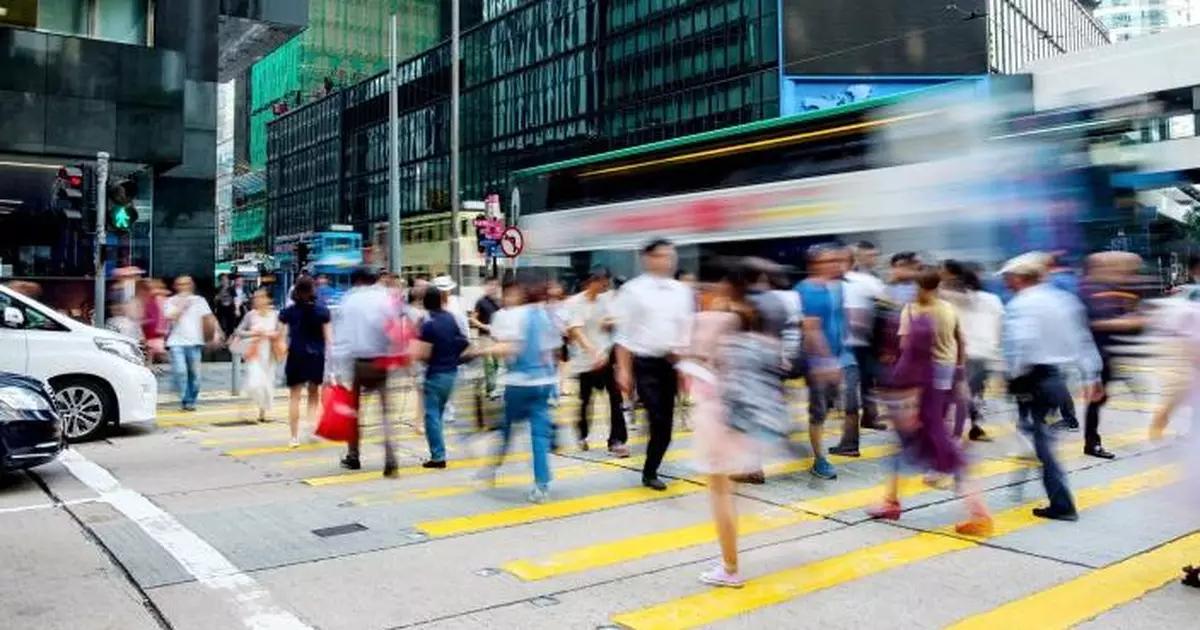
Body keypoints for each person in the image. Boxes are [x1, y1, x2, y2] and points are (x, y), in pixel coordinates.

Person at [868, 266, 992, 536]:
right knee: (913, 449)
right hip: (941, 379)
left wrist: (904, 401)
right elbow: (961, 343)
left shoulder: (913, 314)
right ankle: (891, 501)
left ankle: (980, 514)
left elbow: (907, 354)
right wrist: (958, 375)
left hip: (920, 391)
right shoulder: (947, 309)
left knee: (945, 453)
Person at [690, 264, 787, 588]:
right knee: (728, 491)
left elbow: (693, 362)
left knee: (720, 493)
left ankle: (730, 568)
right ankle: (729, 561)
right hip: (746, 416)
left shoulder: (715, 320)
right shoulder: (759, 318)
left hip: (718, 415)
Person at [1002, 252, 1103, 521]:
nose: (1006, 283)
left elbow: (1020, 344)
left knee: (1039, 438)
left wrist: (1012, 376)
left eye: (1009, 278)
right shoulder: (1064, 300)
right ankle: (1023, 484)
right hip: (1057, 379)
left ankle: (1062, 503)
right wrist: (1092, 376)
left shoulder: (1021, 304)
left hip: (1033, 380)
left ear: (1021, 278)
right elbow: (1083, 341)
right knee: (1036, 433)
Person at [614, 238, 694, 491]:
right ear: (647, 259)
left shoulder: (682, 291)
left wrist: (684, 366)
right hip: (644, 364)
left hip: (671, 364)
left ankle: (651, 466)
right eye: (661, 256)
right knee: (658, 418)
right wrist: (624, 370)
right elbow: (623, 336)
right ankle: (649, 473)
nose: (668, 261)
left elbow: (685, 330)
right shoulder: (633, 291)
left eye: (671, 256)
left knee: (666, 428)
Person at [480, 276, 561, 503]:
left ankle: (492, 466)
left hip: (519, 383)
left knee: (506, 427)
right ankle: (541, 485)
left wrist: (479, 351)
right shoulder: (544, 315)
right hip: (543, 383)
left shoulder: (508, 316)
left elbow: (508, 347)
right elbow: (552, 351)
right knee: (539, 436)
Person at [332, 266, 400, 476]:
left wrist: (339, 370)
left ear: (357, 281)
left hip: (357, 363)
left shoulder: (348, 300)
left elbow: (341, 338)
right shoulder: (385, 298)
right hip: (381, 361)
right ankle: (390, 457)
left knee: (354, 412)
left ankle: (354, 456)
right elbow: (395, 329)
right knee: (385, 412)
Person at [1079, 252, 1145, 460]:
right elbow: (1095, 323)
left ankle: (1091, 441)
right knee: (1096, 399)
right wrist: (1127, 321)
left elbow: (1130, 321)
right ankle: (1091, 443)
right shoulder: (1089, 291)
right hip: (1093, 354)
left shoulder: (1108, 290)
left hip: (1105, 354)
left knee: (1099, 398)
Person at [831, 241, 888, 457]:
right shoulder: (868, 282)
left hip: (853, 347)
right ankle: (852, 438)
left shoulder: (864, 282)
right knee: (856, 391)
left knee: (850, 394)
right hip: (856, 346)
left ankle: (850, 443)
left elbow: (887, 310)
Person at [795, 244, 847, 480]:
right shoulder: (809, 290)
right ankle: (820, 459)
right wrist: (827, 363)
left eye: (837, 260)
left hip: (834, 357)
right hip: (817, 361)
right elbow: (811, 329)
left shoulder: (834, 287)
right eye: (829, 261)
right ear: (814, 264)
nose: (835, 264)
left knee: (826, 410)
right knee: (818, 412)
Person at [566, 268, 628, 456]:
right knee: (585, 401)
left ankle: (616, 441)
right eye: (602, 282)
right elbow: (576, 332)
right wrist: (593, 352)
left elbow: (617, 317)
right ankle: (582, 435)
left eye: (607, 282)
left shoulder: (607, 298)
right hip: (587, 360)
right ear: (591, 282)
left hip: (607, 356)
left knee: (616, 399)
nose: (606, 285)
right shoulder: (575, 303)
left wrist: (610, 321)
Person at [941, 263, 1001, 442]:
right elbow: (999, 326)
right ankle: (974, 427)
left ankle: (956, 429)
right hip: (984, 353)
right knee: (974, 392)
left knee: (959, 392)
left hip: (962, 353)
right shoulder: (992, 299)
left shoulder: (949, 299)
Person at [413, 286, 469, 468]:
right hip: (451, 372)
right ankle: (440, 452)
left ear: (425, 302)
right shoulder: (450, 318)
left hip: (435, 373)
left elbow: (424, 354)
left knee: (432, 416)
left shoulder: (428, 325)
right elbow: (462, 341)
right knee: (439, 412)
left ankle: (438, 456)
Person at [279, 277, 332, 447]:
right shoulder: (323, 311)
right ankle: (311, 426)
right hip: (316, 356)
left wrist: (281, 349)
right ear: (313, 290)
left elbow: (280, 336)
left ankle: (293, 437)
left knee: (294, 396)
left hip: (295, 355)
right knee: (313, 393)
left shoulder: (288, 312)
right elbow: (329, 339)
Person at [164, 276, 221, 411]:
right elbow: (171, 317)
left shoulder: (199, 301)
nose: (184, 287)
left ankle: (192, 399)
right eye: (181, 284)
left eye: (187, 284)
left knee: (195, 376)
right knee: (180, 371)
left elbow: (209, 317)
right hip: (176, 342)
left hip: (195, 342)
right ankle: (185, 400)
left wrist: (217, 333)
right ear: (176, 286)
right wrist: (183, 305)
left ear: (191, 285)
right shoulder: (170, 301)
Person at [236, 289, 281, 423]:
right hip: (254, 353)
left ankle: (262, 412)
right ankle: (248, 407)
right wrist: (254, 333)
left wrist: (270, 334)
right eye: (255, 297)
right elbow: (239, 331)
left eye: (260, 297)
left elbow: (280, 332)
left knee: (267, 383)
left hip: (270, 353)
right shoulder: (250, 315)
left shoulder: (275, 315)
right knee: (254, 382)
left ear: (268, 299)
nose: (256, 300)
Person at [470, 276, 504, 399]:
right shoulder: (481, 302)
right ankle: (491, 389)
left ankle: (495, 387)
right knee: (489, 364)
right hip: (485, 337)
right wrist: (485, 326)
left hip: (498, 336)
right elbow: (473, 319)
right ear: (485, 287)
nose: (493, 287)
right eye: (490, 285)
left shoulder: (501, 302)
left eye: (495, 285)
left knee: (497, 363)